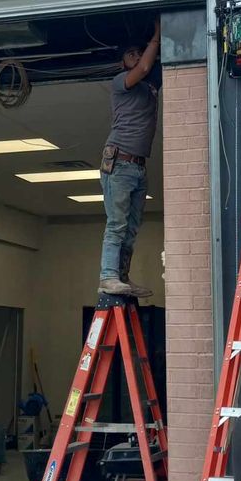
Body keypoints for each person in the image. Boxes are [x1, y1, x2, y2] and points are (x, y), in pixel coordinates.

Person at [98, 18, 161, 297]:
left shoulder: (149, 87)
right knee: (117, 223)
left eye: (139, 51)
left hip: (137, 166)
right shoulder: (120, 83)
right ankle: (107, 276)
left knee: (131, 228)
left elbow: (151, 68)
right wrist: (156, 37)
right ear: (122, 63)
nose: (137, 57)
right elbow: (145, 66)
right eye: (130, 54)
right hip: (120, 161)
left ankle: (121, 278)